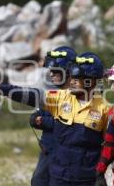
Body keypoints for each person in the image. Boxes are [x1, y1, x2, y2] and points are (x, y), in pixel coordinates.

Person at [0, 52, 109, 186]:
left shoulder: (104, 110)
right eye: (72, 77)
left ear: (91, 81)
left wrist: (101, 175)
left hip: (86, 180)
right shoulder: (60, 97)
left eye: (77, 79)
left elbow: (109, 146)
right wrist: (3, 89)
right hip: (58, 177)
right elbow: (33, 94)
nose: (72, 81)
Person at [29, 46, 76, 186]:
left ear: (69, 71)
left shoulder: (80, 96)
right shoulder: (51, 95)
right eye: (51, 71)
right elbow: (33, 118)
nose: (51, 74)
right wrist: (41, 120)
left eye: (56, 71)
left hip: (69, 157)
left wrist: (44, 121)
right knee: (38, 182)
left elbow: (67, 124)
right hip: (48, 153)